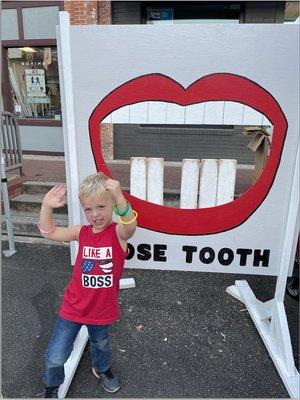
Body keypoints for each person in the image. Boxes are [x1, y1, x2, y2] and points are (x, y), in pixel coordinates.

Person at [38, 172, 138, 398]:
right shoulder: (80, 232)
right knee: (55, 356)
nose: (95, 215)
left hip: (101, 309)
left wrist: (120, 197)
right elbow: (49, 232)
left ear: (113, 205)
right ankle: (51, 387)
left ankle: (102, 368)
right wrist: (46, 206)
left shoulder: (118, 234)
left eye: (101, 207)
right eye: (88, 209)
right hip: (72, 308)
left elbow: (130, 226)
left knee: (100, 344)